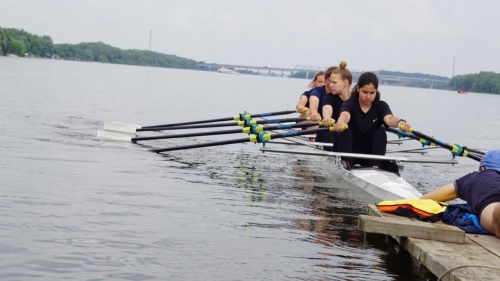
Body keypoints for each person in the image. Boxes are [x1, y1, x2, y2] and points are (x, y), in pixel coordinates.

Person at [332, 72, 411, 168]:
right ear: (358, 89)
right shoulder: (350, 103)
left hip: (368, 155)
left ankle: (375, 165)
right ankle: (346, 164)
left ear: (376, 91)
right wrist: (340, 123)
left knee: (381, 132)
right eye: (364, 92)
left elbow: (389, 118)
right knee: (345, 131)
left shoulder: (381, 106)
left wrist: (400, 122)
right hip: (349, 152)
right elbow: (345, 115)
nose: (368, 96)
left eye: (372, 93)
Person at [420, 149, 500, 238]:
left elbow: (427, 198)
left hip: (492, 204)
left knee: (495, 222)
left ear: (482, 168)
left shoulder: (475, 177)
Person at [320, 61, 353, 151]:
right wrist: (327, 118)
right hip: (331, 136)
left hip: (348, 138)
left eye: (334, 82)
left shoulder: (356, 99)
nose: (330, 85)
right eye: (330, 82)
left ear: (345, 82)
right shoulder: (329, 97)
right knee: (325, 127)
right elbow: (327, 108)